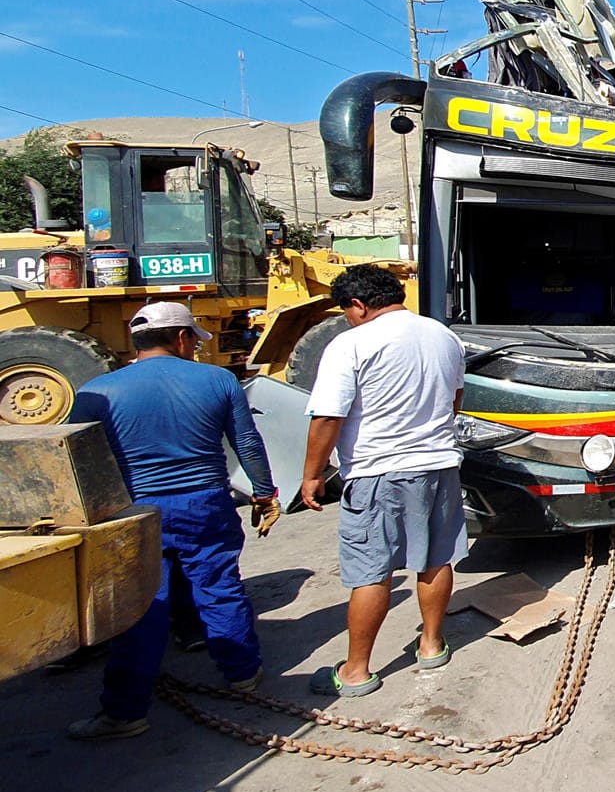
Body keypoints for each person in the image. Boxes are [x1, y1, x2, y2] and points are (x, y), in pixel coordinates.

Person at [66, 302, 280, 740]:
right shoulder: (218, 380)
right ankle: (242, 673)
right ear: (182, 338)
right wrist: (264, 493)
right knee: (219, 585)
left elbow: (74, 460)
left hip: (135, 511)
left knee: (141, 605)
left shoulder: (95, 392)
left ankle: (124, 713)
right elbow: (247, 444)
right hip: (205, 503)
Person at [301, 265, 466, 697]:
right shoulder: (442, 336)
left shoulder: (351, 343)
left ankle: (356, 671)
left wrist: (312, 475)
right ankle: (431, 644)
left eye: (347, 311)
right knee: (435, 558)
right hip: (440, 464)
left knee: (370, 570)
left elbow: (328, 417)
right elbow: (455, 398)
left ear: (358, 305)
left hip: (378, 472)